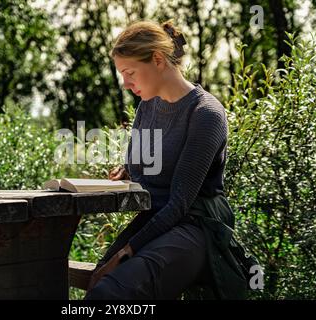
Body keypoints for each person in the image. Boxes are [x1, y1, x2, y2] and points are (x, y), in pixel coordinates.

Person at [84, 20, 247, 300]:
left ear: (157, 59)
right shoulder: (147, 106)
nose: (125, 83)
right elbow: (149, 166)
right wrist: (128, 170)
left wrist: (127, 251)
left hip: (195, 226)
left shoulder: (205, 114)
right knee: (98, 281)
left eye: (130, 72)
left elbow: (179, 203)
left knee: (113, 293)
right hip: (156, 222)